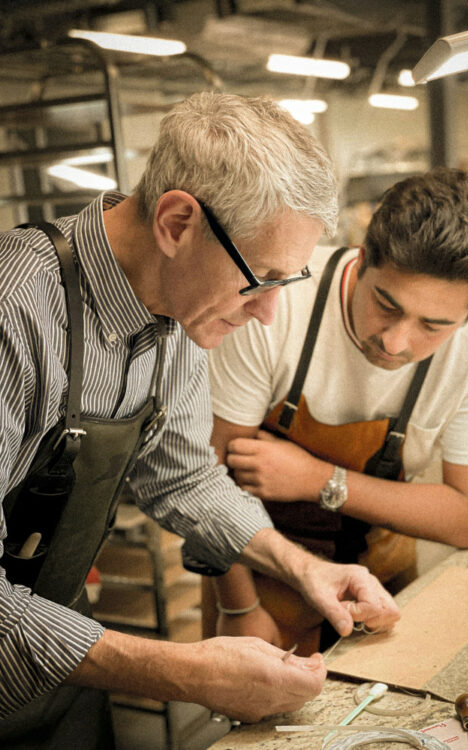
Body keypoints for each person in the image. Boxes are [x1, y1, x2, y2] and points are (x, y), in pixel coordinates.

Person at [0, 92, 400, 749]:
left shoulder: (180, 305)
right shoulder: (15, 311)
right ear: (179, 222)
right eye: (260, 279)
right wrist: (187, 672)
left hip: (61, 660)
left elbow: (184, 479)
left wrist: (301, 567)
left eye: (286, 282)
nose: (268, 314)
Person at [204, 167, 468, 655]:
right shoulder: (277, 305)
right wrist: (238, 607)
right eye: (386, 305)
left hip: (384, 589)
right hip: (257, 587)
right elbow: (208, 479)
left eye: (433, 326)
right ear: (363, 256)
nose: (396, 342)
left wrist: (320, 479)